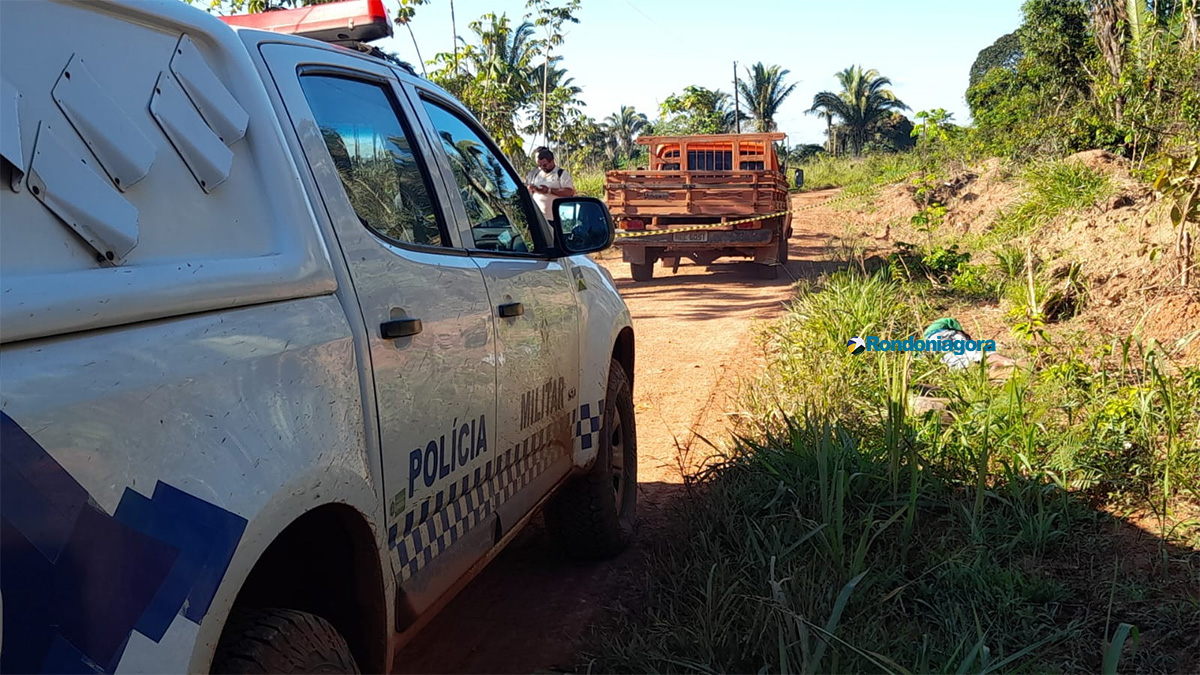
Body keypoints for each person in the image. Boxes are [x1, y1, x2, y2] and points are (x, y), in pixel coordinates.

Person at [526, 147, 575, 222]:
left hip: (554, 219)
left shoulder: (561, 174)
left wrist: (549, 190)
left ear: (552, 161)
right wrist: (532, 189)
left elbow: (569, 192)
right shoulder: (536, 174)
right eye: (539, 165)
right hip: (538, 218)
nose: (542, 167)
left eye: (544, 165)